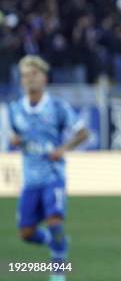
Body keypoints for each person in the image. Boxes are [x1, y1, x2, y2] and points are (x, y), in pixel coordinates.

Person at [9, 55, 90, 281]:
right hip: (30, 179)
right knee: (26, 233)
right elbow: (14, 136)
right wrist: (14, 141)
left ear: (43, 78)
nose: (28, 80)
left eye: (32, 74)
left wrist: (62, 150)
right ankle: (58, 243)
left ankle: (58, 274)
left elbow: (83, 133)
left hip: (53, 176)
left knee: (54, 220)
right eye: (24, 75)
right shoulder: (15, 109)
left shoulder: (57, 107)